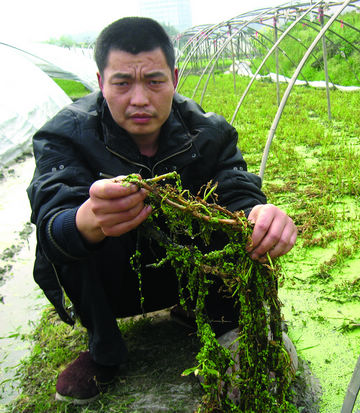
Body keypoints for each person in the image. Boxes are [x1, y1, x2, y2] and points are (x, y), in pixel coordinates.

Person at [26, 16, 297, 405]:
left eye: (154, 81)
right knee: (68, 239)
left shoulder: (208, 131)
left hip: (186, 265)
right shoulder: (65, 134)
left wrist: (259, 214)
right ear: (101, 82)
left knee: (234, 225)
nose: (140, 99)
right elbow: (52, 212)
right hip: (115, 279)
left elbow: (236, 186)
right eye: (122, 83)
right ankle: (104, 349)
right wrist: (86, 221)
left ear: (172, 77)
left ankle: (209, 312)